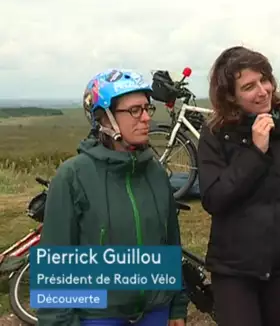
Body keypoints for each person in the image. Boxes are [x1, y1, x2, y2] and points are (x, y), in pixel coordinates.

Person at [37, 69, 188, 325]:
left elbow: (170, 242)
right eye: (133, 111)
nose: (145, 118)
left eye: (147, 109)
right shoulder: (73, 176)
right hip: (98, 315)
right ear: (104, 119)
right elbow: (57, 262)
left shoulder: (155, 172)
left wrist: (176, 306)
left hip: (155, 311)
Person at [196, 46, 280, 326]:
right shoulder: (215, 135)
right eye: (249, 86)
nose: (263, 91)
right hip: (234, 268)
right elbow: (214, 198)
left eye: (265, 80)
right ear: (230, 96)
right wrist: (254, 152)